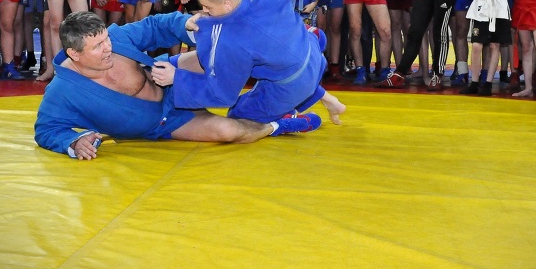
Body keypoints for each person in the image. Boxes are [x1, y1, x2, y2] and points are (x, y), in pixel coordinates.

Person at [34, 11, 322, 158]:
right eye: (97, 46)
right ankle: (278, 125)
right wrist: (73, 141)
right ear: (74, 54)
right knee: (228, 131)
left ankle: (304, 43)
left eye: (105, 39)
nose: (107, 47)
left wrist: (186, 24)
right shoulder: (62, 91)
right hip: (164, 122)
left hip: (171, 78)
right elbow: (47, 129)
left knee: (220, 52)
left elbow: (155, 26)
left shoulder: (116, 39)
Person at [150, 0, 345, 125]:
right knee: (281, 61)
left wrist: (178, 79)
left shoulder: (229, 39)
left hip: (292, 83)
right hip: (311, 49)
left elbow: (222, 93)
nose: (204, 12)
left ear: (227, 4)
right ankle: (327, 98)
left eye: (208, 7)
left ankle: (284, 122)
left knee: (238, 116)